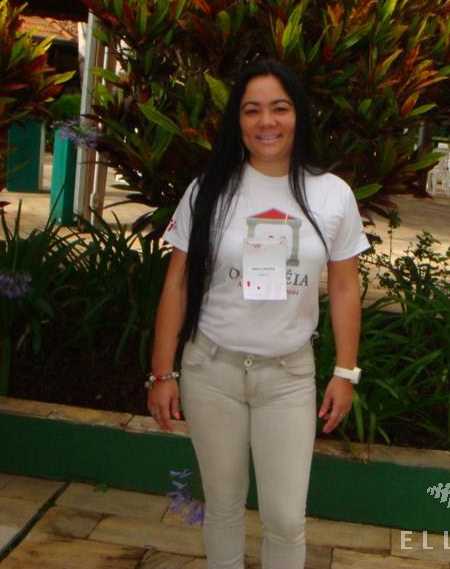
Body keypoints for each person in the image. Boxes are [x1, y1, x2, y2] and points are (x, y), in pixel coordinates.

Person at [147, 58, 370, 569]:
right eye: (252, 110)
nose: (266, 122)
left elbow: (344, 285)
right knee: (223, 506)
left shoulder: (332, 194)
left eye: (279, 108)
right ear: (238, 120)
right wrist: (162, 372)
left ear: (299, 115)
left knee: (286, 518)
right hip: (212, 371)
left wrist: (345, 372)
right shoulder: (209, 190)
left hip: (288, 378)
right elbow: (177, 282)